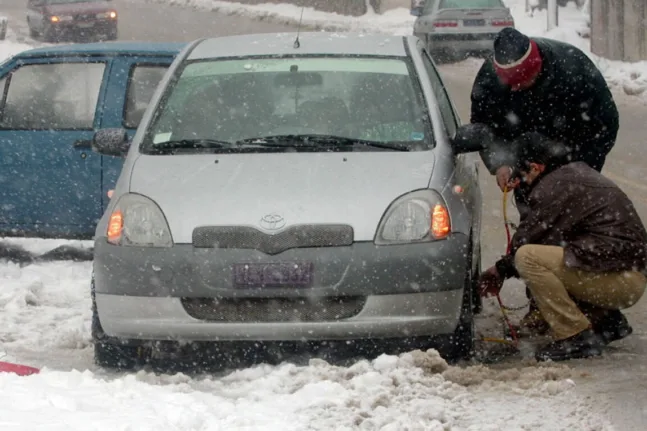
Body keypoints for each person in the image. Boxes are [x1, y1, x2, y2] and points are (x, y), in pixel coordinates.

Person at [467, 26, 620, 332]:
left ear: (536, 65)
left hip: (574, 157)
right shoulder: (489, 79)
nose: (519, 88)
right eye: (513, 84)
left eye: (526, 81)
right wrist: (501, 164)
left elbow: (604, 126)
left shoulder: (573, 69)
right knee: (533, 228)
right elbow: (484, 128)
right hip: (523, 159)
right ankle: (542, 306)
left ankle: (597, 310)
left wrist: (568, 172)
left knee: (571, 227)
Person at [479, 132, 647, 362]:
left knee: (529, 258)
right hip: (625, 274)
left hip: (621, 280)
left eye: (520, 175)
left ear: (536, 167)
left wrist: (499, 270)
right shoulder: (573, 174)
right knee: (554, 256)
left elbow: (526, 242)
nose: (518, 183)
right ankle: (605, 320)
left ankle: (576, 335)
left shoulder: (554, 188)